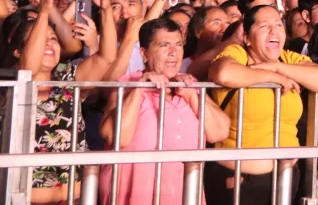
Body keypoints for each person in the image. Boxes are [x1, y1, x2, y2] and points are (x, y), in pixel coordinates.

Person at [207, 4, 318, 204]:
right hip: (240, 180)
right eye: (264, 26)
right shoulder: (239, 54)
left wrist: (276, 67)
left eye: (278, 25)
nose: (273, 30)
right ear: (247, 37)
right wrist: (272, 77)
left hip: (286, 179)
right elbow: (224, 73)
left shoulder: (286, 59)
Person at [98, 17, 230, 205]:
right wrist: (140, 88)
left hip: (181, 196)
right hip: (133, 196)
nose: (173, 52)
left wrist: (192, 95)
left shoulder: (188, 85)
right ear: (144, 54)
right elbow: (116, 136)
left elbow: (219, 132)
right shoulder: (126, 85)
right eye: (163, 45)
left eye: (178, 44)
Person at [13, 0, 117, 203]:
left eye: (54, 40)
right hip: (26, 197)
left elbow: (106, 57)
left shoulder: (68, 80)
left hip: (75, 195)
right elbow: (29, 69)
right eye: (41, 39)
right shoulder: (11, 85)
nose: (49, 44)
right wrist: (43, 13)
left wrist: (107, 9)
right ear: (17, 51)